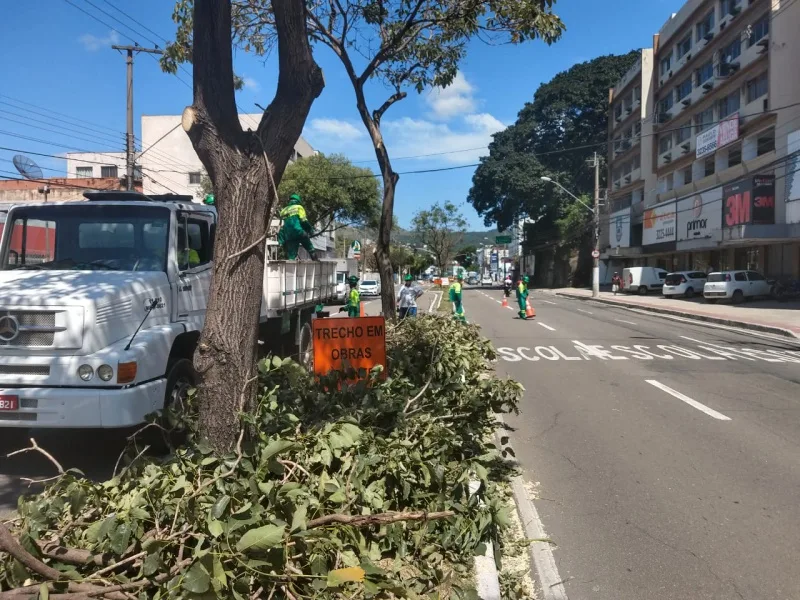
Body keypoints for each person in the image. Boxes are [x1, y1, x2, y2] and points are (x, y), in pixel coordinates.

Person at [278, 193, 318, 260]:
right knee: (310, 247)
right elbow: (303, 221)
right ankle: (316, 262)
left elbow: (281, 227)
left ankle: (291, 267)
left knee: (291, 256)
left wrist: (281, 240)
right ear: (298, 201)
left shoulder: (283, 211)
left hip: (289, 236)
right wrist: (310, 230)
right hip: (299, 232)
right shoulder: (299, 207)